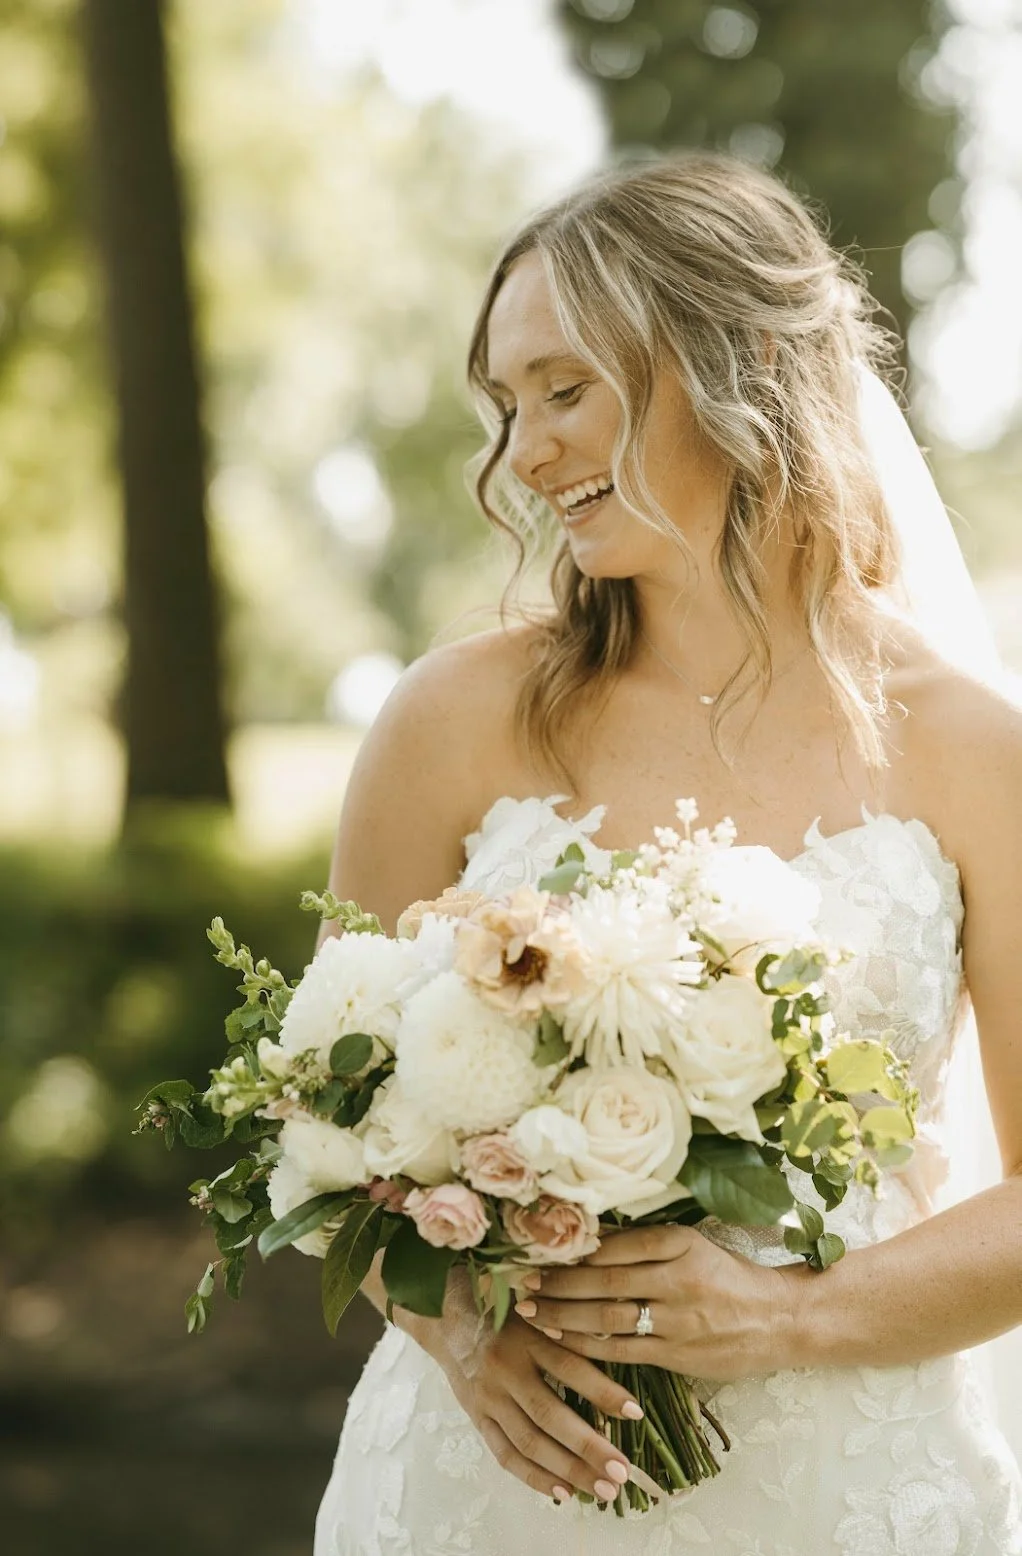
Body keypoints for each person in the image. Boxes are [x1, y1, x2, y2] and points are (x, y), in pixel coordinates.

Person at [312, 152, 1022, 1553]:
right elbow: (328, 1120)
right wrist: (458, 1331)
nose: (523, 453)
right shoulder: (449, 722)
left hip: (842, 1489)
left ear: (741, 362)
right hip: (493, 1484)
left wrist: (788, 1315)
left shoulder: (968, 749)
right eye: (507, 407)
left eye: (565, 391)